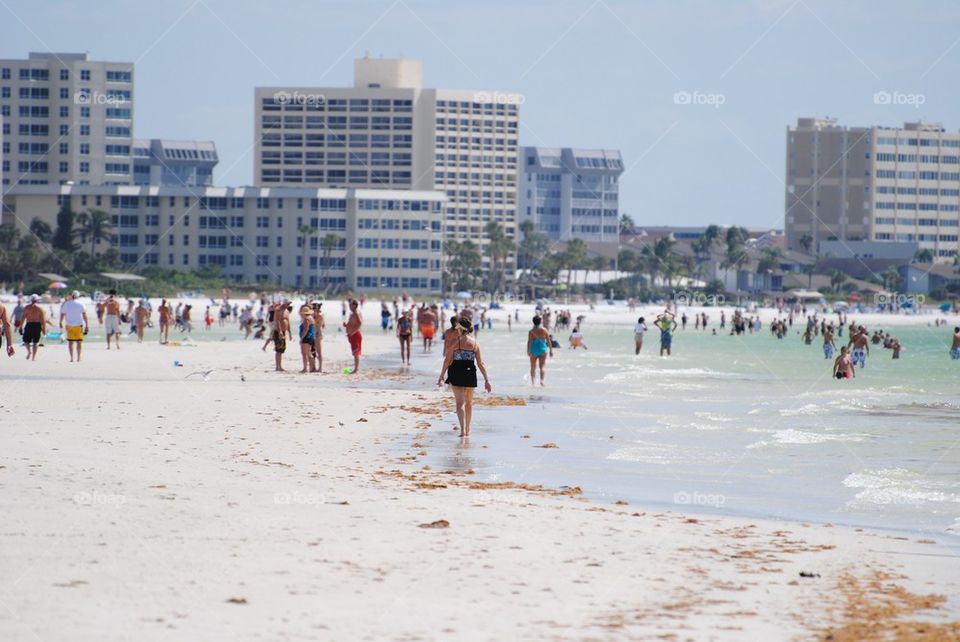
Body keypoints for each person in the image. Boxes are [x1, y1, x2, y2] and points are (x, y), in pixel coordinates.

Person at [437, 317, 492, 437]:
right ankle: (468, 428)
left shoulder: (456, 343)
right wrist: (487, 380)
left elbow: (447, 360)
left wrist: (441, 375)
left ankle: (462, 430)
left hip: (456, 373)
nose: (456, 330)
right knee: (469, 403)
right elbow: (480, 363)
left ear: (461, 329)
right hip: (470, 374)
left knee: (459, 404)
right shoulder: (475, 344)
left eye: (457, 329)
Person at [59, 291, 88, 362]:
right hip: (79, 325)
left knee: (70, 342)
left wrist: (60, 322)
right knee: (79, 342)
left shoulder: (66, 303)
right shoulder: (81, 303)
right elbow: (84, 315)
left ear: (72, 296)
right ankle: (78, 357)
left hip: (69, 325)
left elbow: (62, 313)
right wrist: (87, 325)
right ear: (78, 296)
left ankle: (72, 358)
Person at [527, 315, 552, 386]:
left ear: (533, 322)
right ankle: (542, 381)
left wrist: (528, 351)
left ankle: (532, 382)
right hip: (543, 349)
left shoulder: (531, 331)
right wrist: (551, 350)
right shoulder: (544, 330)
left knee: (532, 367)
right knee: (542, 366)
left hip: (533, 350)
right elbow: (548, 341)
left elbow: (529, 342)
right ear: (540, 322)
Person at [21, 294, 47, 361]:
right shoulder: (40, 308)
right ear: (37, 300)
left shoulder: (27, 307)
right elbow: (43, 320)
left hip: (29, 324)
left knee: (26, 340)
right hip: (37, 325)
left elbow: (23, 317)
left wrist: (20, 326)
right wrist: (44, 329)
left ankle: (29, 352)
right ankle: (33, 357)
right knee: (36, 342)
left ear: (31, 299)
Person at [344, 299, 362, 374]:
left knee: (356, 352)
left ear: (354, 305)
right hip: (351, 335)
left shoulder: (357, 313)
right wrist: (346, 325)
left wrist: (353, 332)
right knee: (354, 352)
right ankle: (355, 368)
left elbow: (360, 323)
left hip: (355, 335)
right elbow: (352, 323)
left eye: (351, 304)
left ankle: (356, 369)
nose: (349, 306)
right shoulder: (352, 313)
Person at [298, 305, 317, 373]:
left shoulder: (306, 319)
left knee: (304, 353)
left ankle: (305, 368)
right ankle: (313, 367)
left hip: (306, 337)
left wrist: (301, 338)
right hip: (311, 337)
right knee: (309, 353)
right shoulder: (311, 318)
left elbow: (306, 329)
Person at [272, 300, 289, 372]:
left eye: (289, 304)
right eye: (287, 303)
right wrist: (280, 331)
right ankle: (277, 366)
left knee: (282, 349)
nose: (288, 305)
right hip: (278, 332)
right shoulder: (278, 310)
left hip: (284, 332)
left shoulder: (287, 311)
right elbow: (277, 321)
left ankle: (280, 366)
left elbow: (288, 321)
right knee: (278, 349)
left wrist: (290, 332)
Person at [312, 302, 325, 373]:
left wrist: (315, 317)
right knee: (312, 351)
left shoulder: (320, 316)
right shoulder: (312, 315)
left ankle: (320, 368)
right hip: (312, 334)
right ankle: (314, 367)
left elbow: (320, 325)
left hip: (317, 334)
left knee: (319, 351)